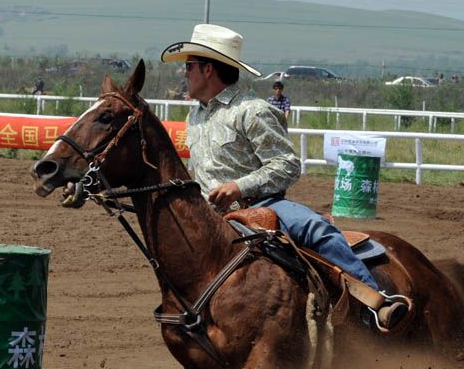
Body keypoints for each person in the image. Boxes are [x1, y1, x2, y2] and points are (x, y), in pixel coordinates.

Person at [160, 23, 408, 331]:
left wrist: (239, 186)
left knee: (316, 229)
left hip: (261, 207)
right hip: (212, 217)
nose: (185, 73)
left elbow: (287, 165)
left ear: (208, 69)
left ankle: (375, 302)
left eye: (189, 66)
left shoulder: (251, 111)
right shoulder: (195, 115)